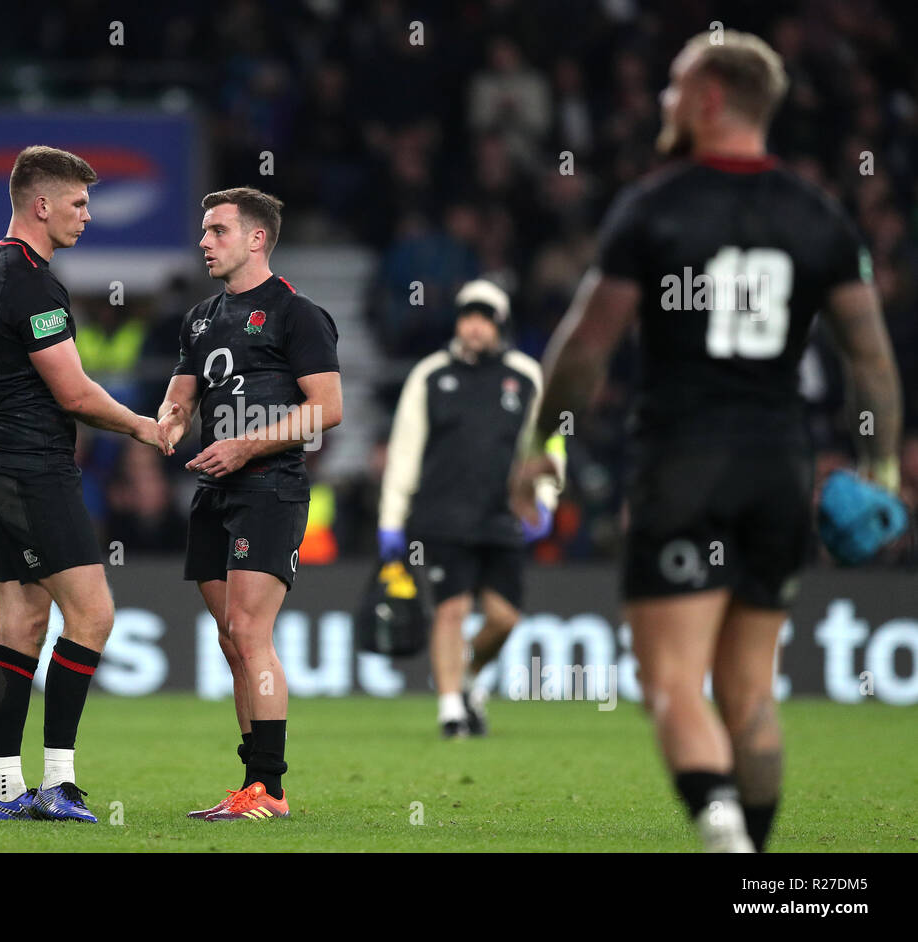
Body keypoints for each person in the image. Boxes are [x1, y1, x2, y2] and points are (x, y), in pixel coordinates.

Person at [514, 32, 903, 852]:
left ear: (710, 99)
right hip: (779, 467)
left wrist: (540, 443)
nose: (662, 98)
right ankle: (759, 869)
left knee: (670, 684)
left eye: (675, 84)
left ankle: (724, 842)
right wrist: (878, 466)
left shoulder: (655, 206)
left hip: (682, 462)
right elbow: (869, 357)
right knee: (751, 692)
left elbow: (585, 349)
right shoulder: (819, 213)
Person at [0, 146, 173, 822]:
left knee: (23, 621)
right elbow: (74, 392)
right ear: (41, 204)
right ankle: (56, 781)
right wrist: (143, 427)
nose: (88, 215)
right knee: (94, 614)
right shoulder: (30, 279)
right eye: (79, 203)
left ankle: (4, 789)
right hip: (32, 465)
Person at [157, 187, 342, 821]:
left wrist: (245, 446)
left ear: (256, 238)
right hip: (215, 493)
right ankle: (251, 786)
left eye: (217, 231)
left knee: (249, 632)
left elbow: (328, 408)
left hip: (270, 488)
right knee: (232, 642)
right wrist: (164, 422)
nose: (204, 242)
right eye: (204, 231)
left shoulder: (298, 314)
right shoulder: (201, 318)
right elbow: (181, 395)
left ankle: (271, 788)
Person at [379, 279, 562, 738]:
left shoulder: (526, 375)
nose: (474, 327)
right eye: (467, 316)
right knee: (451, 611)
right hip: (442, 514)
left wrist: (545, 501)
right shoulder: (431, 375)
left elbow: (547, 443)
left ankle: (467, 676)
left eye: (484, 318)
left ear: (500, 325)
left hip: (503, 514)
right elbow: (405, 448)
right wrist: (391, 519)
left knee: (504, 618)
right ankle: (450, 711)